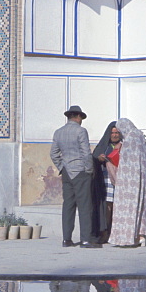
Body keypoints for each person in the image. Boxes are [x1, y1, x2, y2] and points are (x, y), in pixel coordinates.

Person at [50, 105, 100, 247]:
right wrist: (89, 169)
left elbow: (53, 153)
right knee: (84, 206)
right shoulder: (81, 131)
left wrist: (62, 167)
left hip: (67, 172)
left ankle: (67, 239)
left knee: (68, 206)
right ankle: (85, 239)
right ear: (78, 117)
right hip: (80, 171)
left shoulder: (58, 132)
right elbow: (86, 153)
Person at [108, 117, 146, 247]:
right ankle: (141, 236)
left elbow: (126, 163)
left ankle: (126, 237)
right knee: (141, 206)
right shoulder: (139, 135)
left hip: (128, 182)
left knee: (128, 208)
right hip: (142, 178)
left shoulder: (130, 139)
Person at [91, 121, 122, 243]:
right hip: (106, 179)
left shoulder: (124, 145)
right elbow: (94, 157)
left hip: (120, 179)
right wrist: (99, 159)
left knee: (117, 206)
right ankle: (105, 231)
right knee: (108, 206)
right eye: (112, 132)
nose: (114, 135)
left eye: (117, 132)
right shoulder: (104, 145)